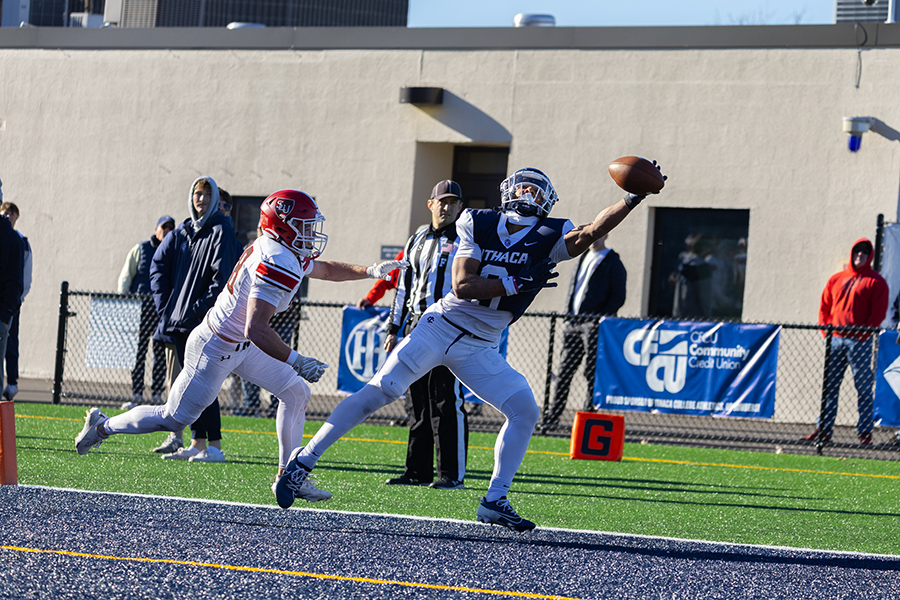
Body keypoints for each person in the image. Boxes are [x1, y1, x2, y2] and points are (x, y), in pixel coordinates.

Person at [275, 164, 665, 532]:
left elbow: (591, 231)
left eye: (536, 189)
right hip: (442, 326)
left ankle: (494, 500)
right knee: (382, 390)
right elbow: (463, 285)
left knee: (525, 411)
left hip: (480, 345)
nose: (528, 193)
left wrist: (632, 198)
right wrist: (517, 282)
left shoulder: (549, 235)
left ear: (547, 199)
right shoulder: (478, 221)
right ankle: (301, 464)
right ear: (508, 191)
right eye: (523, 186)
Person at [75, 189, 407, 497]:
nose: (310, 232)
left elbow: (322, 269)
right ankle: (102, 426)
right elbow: (256, 329)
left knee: (295, 393)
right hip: (216, 347)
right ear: (285, 226)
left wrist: (370, 270)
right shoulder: (275, 260)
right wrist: (297, 361)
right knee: (173, 419)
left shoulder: (281, 248)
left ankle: (288, 476)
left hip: (240, 346)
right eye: (304, 225)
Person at [383, 180, 468, 490]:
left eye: (453, 202)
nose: (447, 207)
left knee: (446, 400)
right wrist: (395, 327)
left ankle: (451, 474)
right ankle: (417, 471)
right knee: (417, 401)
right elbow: (403, 287)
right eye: (441, 201)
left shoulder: (465, 238)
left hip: (448, 327)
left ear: (460, 207)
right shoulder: (417, 237)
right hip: (416, 325)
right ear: (430, 204)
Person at [148, 176, 240, 462]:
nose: (200, 198)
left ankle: (213, 446)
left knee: (204, 382)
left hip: (203, 321)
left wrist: (197, 310)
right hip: (178, 322)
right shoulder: (183, 231)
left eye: (206, 194)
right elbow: (158, 266)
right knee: (192, 383)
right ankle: (198, 442)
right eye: (197, 193)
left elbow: (221, 279)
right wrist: (168, 306)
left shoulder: (221, 230)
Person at [802, 238, 888, 446]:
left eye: (865, 253)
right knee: (829, 387)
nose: (860, 256)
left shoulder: (876, 282)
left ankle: (865, 433)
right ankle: (823, 430)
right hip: (836, 340)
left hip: (859, 343)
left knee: (863, 387)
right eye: (857, 252)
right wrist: (826, 332)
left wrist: (862, 335)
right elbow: (824, 307)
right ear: (852, 254)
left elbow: (878, 314)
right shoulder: (837, 279)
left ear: (870, 257)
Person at [540, 234, 626, 430]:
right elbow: (575, 288)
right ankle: (552, 417)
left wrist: (598, 320)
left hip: (593, 326)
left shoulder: (612, 261)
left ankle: (588, 418)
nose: (595, 239)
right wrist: (568, 314)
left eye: (599, 234)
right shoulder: (584, 256)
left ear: (607, 235)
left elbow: (618, 296)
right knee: (564, 371)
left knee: (591, 372)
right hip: (573, 323)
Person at [117, 215, 175, 409]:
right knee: (138, 353)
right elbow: (127, 276)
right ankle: (136, 395)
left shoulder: (174, 250)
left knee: (160, 353)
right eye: (163, 227)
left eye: (170, 228)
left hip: (162, 312)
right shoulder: (140, 249)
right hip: (139, 310)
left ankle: (157, 395)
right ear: (156, 229)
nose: (167, 231)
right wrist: (124, 302)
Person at [0, 202, 31, 401]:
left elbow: (23, 275)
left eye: (11, 214)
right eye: (5, 213)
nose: (8, 216)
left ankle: (12, 381)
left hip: (10, 303)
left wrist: (16, 301)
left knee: (11, 342)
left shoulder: (19, 240)